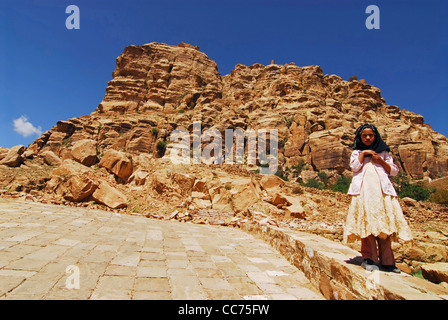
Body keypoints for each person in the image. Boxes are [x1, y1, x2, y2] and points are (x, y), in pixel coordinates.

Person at [343, 124, 413, 273]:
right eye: (364, 135)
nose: (368, 138)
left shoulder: (384, 153)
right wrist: (364, 154)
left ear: (376, 136)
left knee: (384, 225)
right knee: (366, 223)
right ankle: (369, 259)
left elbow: (393, 172)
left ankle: (388, 261)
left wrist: (380, 160)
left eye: (371, 135)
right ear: (360, 138)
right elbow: (354, 167)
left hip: (382, 193)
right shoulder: (356, 152)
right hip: (363, 192)